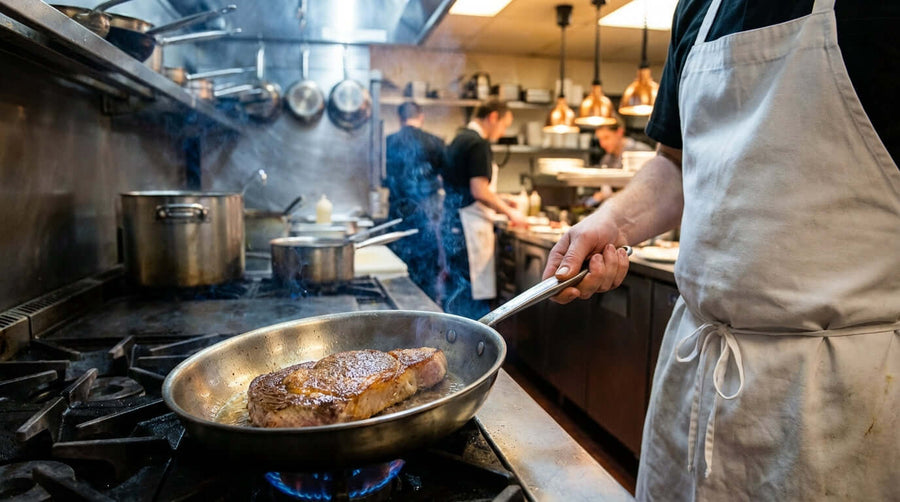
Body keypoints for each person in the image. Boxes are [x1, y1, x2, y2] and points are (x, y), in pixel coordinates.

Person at [543, 0, 899, 500]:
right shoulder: (697, 8)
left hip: (834, 398)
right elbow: (675, 165)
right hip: (694, 372)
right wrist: (610, 222)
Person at [441, 99, 527, 319]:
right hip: (469, 229)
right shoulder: (478, 144)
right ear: (493, 117)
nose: (503, 131)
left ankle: (454, 345)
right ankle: (473, 350)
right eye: (504, 125)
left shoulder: (459, 138)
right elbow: (479, 190)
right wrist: (511, 213)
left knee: (456, 296)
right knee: (471, 299)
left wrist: (503, 199)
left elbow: (465, 185)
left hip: (453, 224)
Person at [383, 101, 446, 302]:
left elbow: (384, 178)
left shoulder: (387, 142)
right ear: (421, 116)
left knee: (396, 273)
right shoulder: (436, 142)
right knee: (426, 274)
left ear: (400, 118)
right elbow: (444, 179)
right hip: (427, 217)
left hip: (397, 216)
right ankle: (426, 314)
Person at [585, 114, 654, 208]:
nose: (602, 144)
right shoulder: (606, 159)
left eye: (606, 138)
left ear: (620, 132)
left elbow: (648, 188)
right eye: (600, 139)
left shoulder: (642, 152)